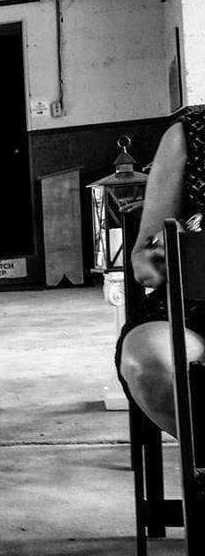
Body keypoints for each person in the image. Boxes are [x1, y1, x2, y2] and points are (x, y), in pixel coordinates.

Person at [118, 104, 205, 437]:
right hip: (193, 313)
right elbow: (143, 259)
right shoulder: (189, 133)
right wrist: (159, 255)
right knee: (150, 361)